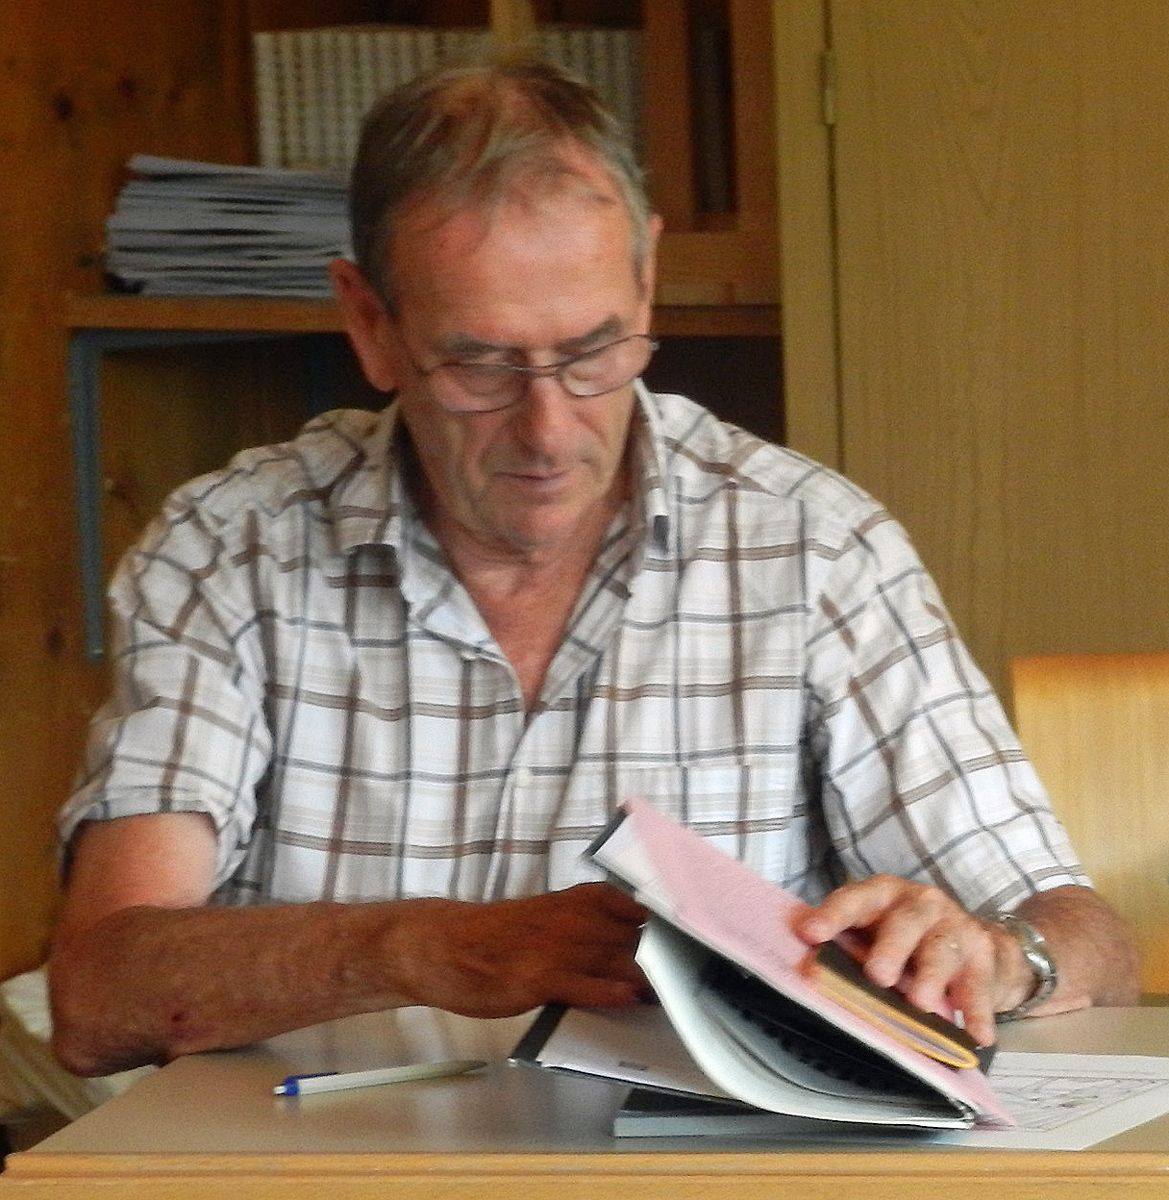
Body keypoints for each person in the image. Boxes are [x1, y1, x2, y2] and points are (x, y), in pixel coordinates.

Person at [49, 59, 1137, 1080]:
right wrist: (423, 949)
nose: (548, 430)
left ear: (647, 283)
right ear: (370, 324)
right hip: (319, 1170)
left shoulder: (809, 547)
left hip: (695, 1177)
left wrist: (1002, 959)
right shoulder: (230, 551)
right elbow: (99, 996)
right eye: (480, 365)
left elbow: (1088, 940)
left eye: (591, 352)